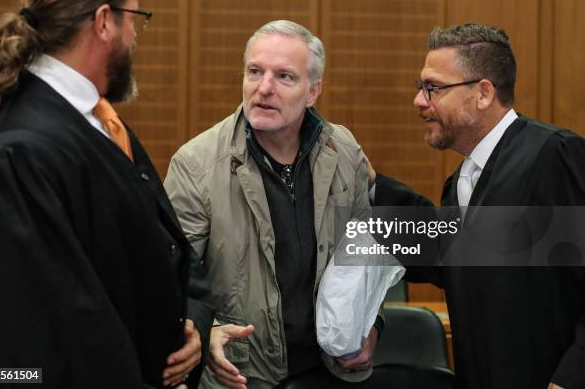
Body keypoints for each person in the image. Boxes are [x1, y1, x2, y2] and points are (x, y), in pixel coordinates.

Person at [0, 0, 214, 389]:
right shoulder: (15, 154)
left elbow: (164, 249)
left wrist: (192, 326)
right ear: (105, 22)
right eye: (135, 19)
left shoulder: (98, 122)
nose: (136, 37)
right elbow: (52, 344)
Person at [164, 20, 379, 388]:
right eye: (254, 71)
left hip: (329, 372)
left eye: (284, 77)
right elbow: (170, 280)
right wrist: (207, 331)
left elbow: (365, 257)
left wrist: (373, 325)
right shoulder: (196, 164)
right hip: (241, 375)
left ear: (313, 92)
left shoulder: (345, 152)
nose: (263, 88)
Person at [374, 23, 585, 389]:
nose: (420, 101)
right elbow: (447, 259)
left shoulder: (552, 155)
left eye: (433, 88)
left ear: (483, 93)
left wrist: (570, 379)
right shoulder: (459, 183)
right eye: (420, 88)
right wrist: (364, 185)